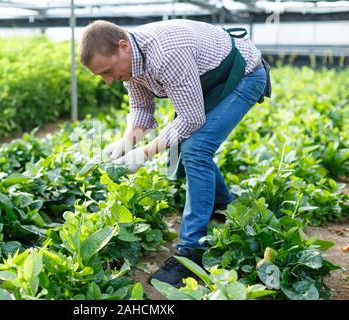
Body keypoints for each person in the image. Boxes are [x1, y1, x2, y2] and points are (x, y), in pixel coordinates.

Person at [79, 19, 270, 287]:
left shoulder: (166, 54)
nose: (109, 81)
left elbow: (191, 119)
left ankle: (191, 252)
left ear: (122, 46)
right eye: (101, 76)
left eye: (108, 71)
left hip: (244, 75)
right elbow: (142, 109)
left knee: (194, 149)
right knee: (191, 146)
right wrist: (126, 141)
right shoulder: (131, 62)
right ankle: (225, 204)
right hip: (208, 81)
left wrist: (144, 153)